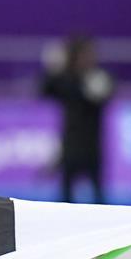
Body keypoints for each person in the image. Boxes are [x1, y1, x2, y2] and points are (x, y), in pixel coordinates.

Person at [40, 35, 114, 205]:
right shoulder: (66, 80)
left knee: (99, 197)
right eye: (82, 54)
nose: (87, 58)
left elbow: (106, 95)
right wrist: (54, 68)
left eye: (90, 54)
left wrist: (94, 87)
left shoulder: (99, 78)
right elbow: (45, 90)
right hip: (71, 147)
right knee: (66, 198)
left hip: (92, 147)